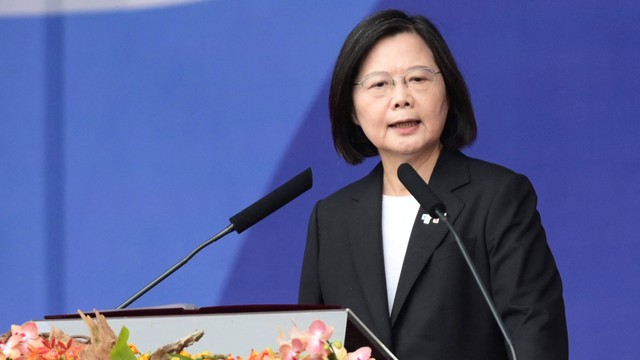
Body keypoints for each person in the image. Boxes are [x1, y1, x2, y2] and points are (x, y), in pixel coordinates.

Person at [298, 9, 568, 360]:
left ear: (448, 90)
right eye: (380, 84)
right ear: (351, 109)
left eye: (418, 79)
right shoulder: (330, 219)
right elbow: (311, 347)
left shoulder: (499, 197)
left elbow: (536, 339)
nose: (401, 98)